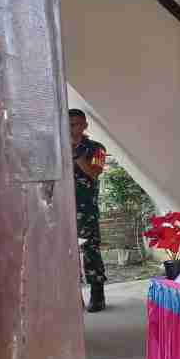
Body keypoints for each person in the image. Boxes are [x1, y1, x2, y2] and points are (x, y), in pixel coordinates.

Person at [69, 109, 108, 313]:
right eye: (68, 124)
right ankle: (71, 296)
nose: (71, 129)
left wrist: (76, 153)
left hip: (86, 209)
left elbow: (95, 173)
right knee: (64, 253)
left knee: (91, 250)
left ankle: (97, 294)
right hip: (59, 210)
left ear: (84, 125)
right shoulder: (55, 146)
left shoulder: (97, 148)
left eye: (75, 124)